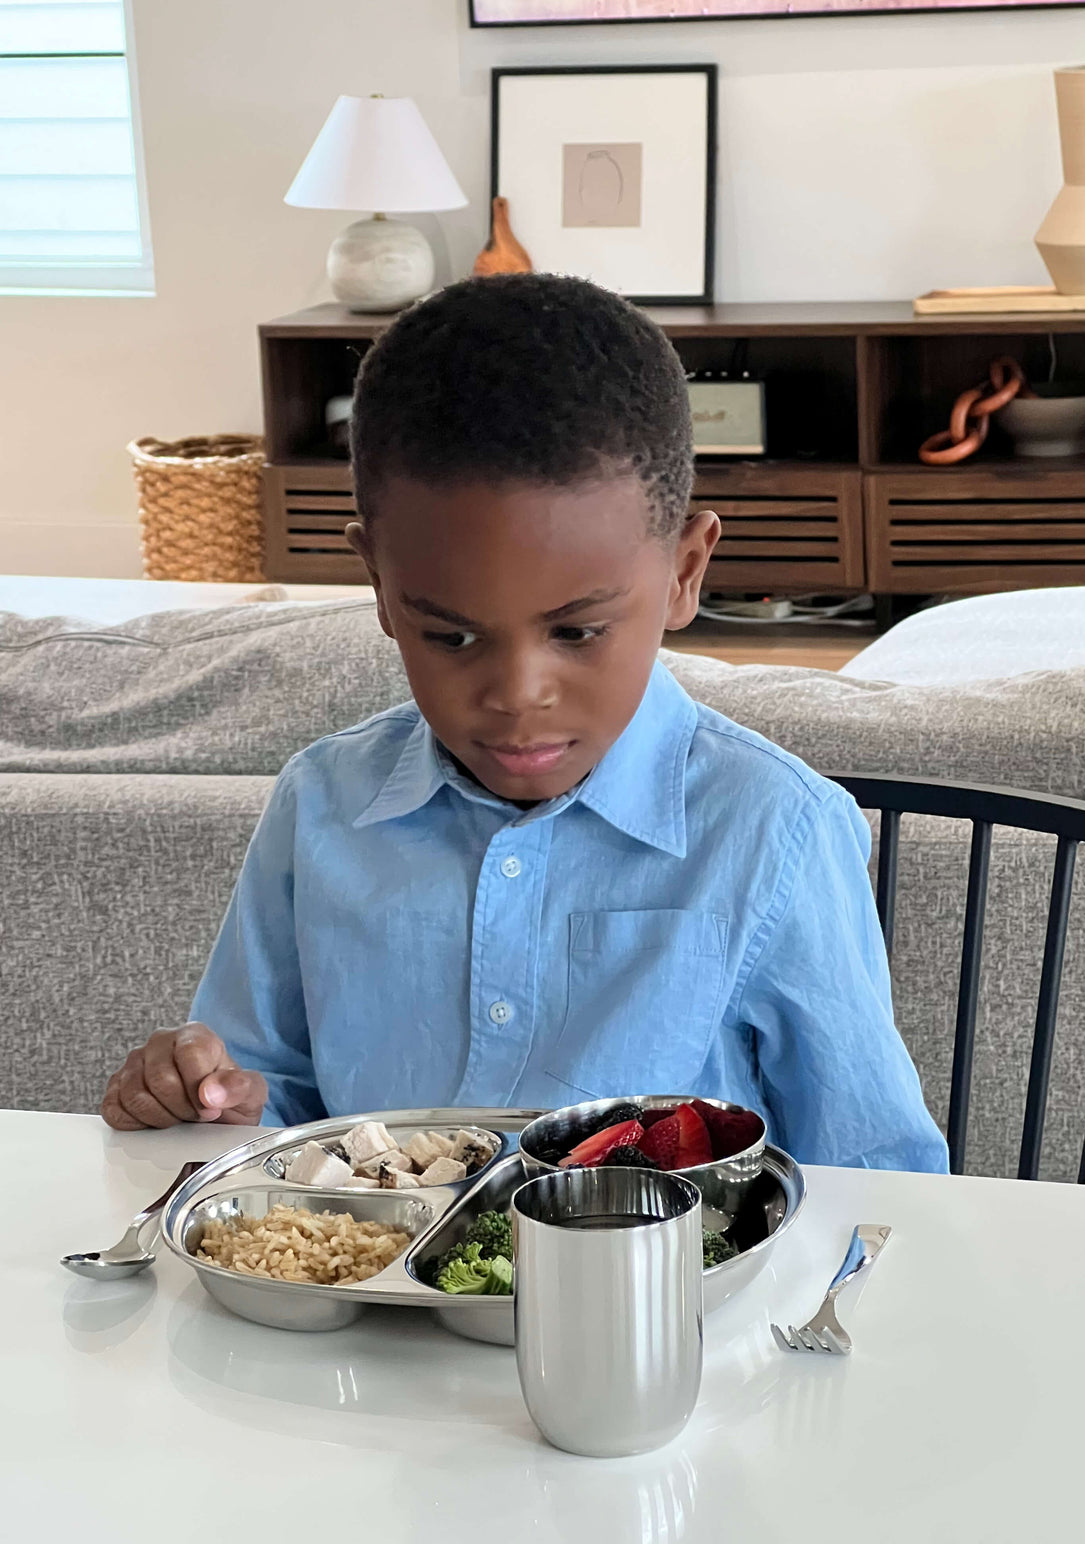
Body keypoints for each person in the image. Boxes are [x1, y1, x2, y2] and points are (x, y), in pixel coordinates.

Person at [101, 273, 947, 1172]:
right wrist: (206, 1099)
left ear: (687, 571)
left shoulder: (775, 829)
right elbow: (274, 1107)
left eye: (577, 631)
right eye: (452, 634)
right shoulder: (320, 806)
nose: (516, 693)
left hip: (669, 1310)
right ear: (380, 585)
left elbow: (877, 1178)